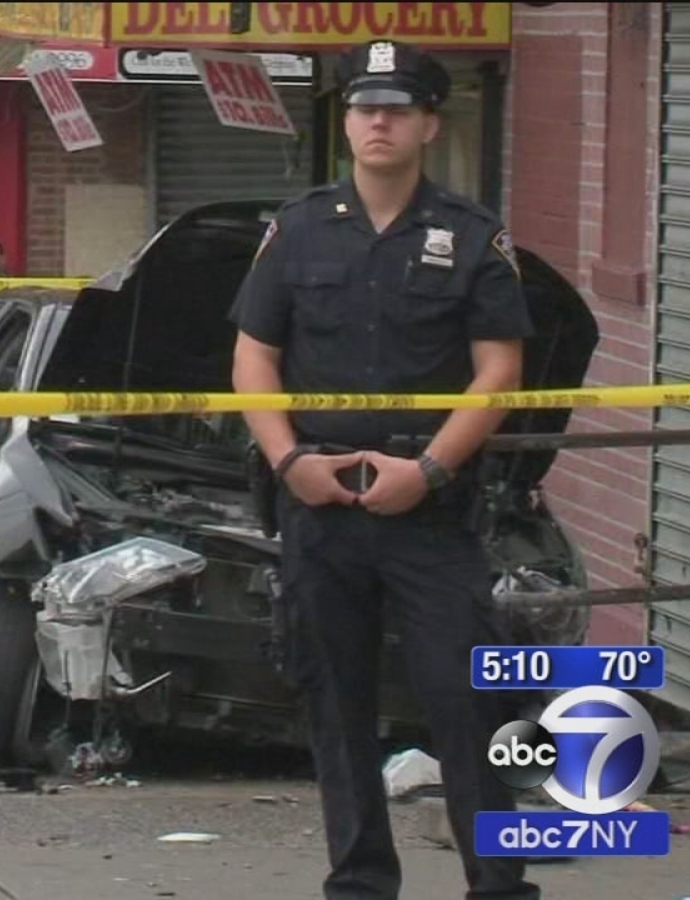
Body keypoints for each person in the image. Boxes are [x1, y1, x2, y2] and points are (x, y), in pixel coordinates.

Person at [228, 41, 540, 900]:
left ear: (429, 124)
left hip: (429, 515)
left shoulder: (473, 238)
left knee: (465, 702)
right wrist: (289, 460)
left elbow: (498, 374)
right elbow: (253, 358)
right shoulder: (295, 231)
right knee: (335, 709)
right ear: (347, 121)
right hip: (320, 508)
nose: (378, 121)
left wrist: (431, 472)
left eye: (397, 108)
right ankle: (362, 882)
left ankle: (499, 886)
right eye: (366, 106)